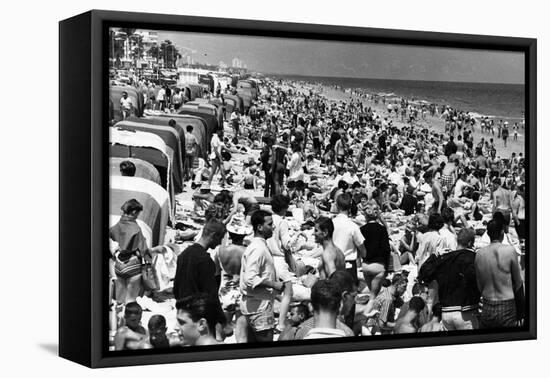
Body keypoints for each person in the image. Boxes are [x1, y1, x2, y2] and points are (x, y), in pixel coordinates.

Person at [239, 210, 289, 342]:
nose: (273, 227)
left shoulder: (259, 245)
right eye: (269, 224)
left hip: (254, 305)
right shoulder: (258, 248)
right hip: (259, 307)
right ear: (260, 227)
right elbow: (250, 278)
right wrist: (274, 284)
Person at [419, 228, 480, 330]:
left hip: (446, 313)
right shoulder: (473, 257)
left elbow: (424, 273)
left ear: (457, 240)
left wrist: (435, 255)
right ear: (470, 243)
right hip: (466, 312)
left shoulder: (444, 258)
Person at [173, 219, 227, 333]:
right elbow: (211, 295)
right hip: (198, 318)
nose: (220, 242)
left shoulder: (183, 254)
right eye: (220, 238)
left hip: (182, 313)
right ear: (213, 235)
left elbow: (176, 288)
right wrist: (222, 320)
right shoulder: (205, 261)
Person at [475, 219, 525, 328]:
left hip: (487, 305)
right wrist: (521, 310)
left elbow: (479, 286)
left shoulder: (479, 254)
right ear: (502, 232)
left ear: (487, 234)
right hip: (506, 305)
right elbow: (518, 282)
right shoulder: (510, 251)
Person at [110, 199, 149, 304]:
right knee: (130, 301)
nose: (137, 216)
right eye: (138, 213)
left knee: (119, 300)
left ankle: (118, 319)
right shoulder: (135, 228)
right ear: (134, 212)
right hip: (133, 264)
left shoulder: (117, 225)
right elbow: (143, 250)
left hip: (118, 265)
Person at [360, 202, 390, 314]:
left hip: (366, 266)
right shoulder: (382, 229)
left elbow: (360, 248)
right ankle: (363, 319)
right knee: (373, 297)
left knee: (373, 295)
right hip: (378, 267)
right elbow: (386, 250)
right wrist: (386, 268)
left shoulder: (362, 229)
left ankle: (372, 316)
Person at [332, 193, 366, 284]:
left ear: (337, 206)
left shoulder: (331, 224)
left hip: (332, 263)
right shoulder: (353, 226)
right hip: (348, 265)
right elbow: (362, 248)